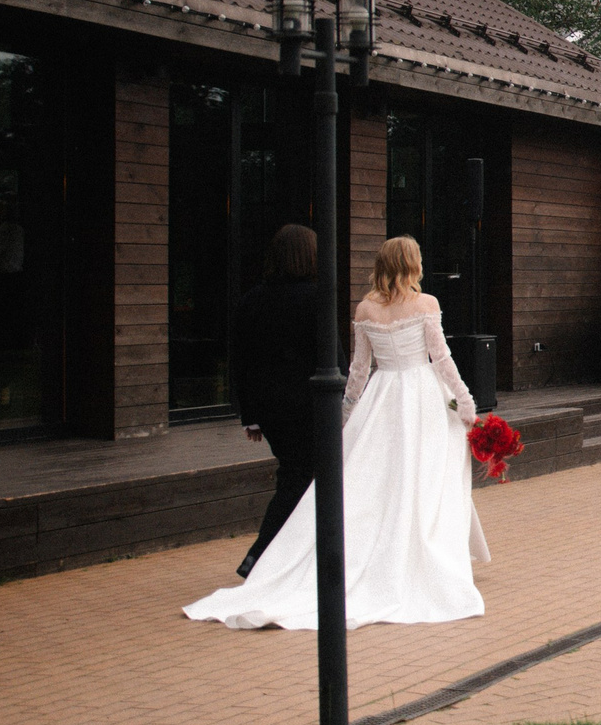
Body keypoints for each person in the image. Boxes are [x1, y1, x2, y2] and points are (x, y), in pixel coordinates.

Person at [186, 236, 486, 631]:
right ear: (412, 264)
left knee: (375, 477)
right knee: (428, 473)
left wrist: (346, 415)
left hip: (382, 395)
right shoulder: (426, 304)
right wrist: (465, 400)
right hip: (422, 394)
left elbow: (360, 370)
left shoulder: (365, 309)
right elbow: (442, 357)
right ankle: (422, 551)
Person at [228, 224, 326, 578]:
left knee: (295, 474)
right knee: (302, 477)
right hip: (307, 409)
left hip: (269, 413)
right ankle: (260, 553)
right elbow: (332, 358)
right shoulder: (317, 297)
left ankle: (288, 555)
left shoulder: (251, 300)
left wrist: (250, 417)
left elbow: (241, 361)